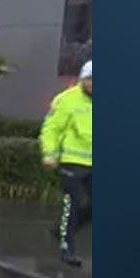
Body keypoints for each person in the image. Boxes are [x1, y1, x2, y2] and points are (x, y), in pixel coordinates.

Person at [41, 59, 93, 267]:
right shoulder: (67, 100)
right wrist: (50, 154)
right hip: (72, 163)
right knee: (72, 203)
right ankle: (67, 248)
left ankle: (60, 230)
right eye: (90, 79)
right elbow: (51, 129)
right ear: (83, 79)